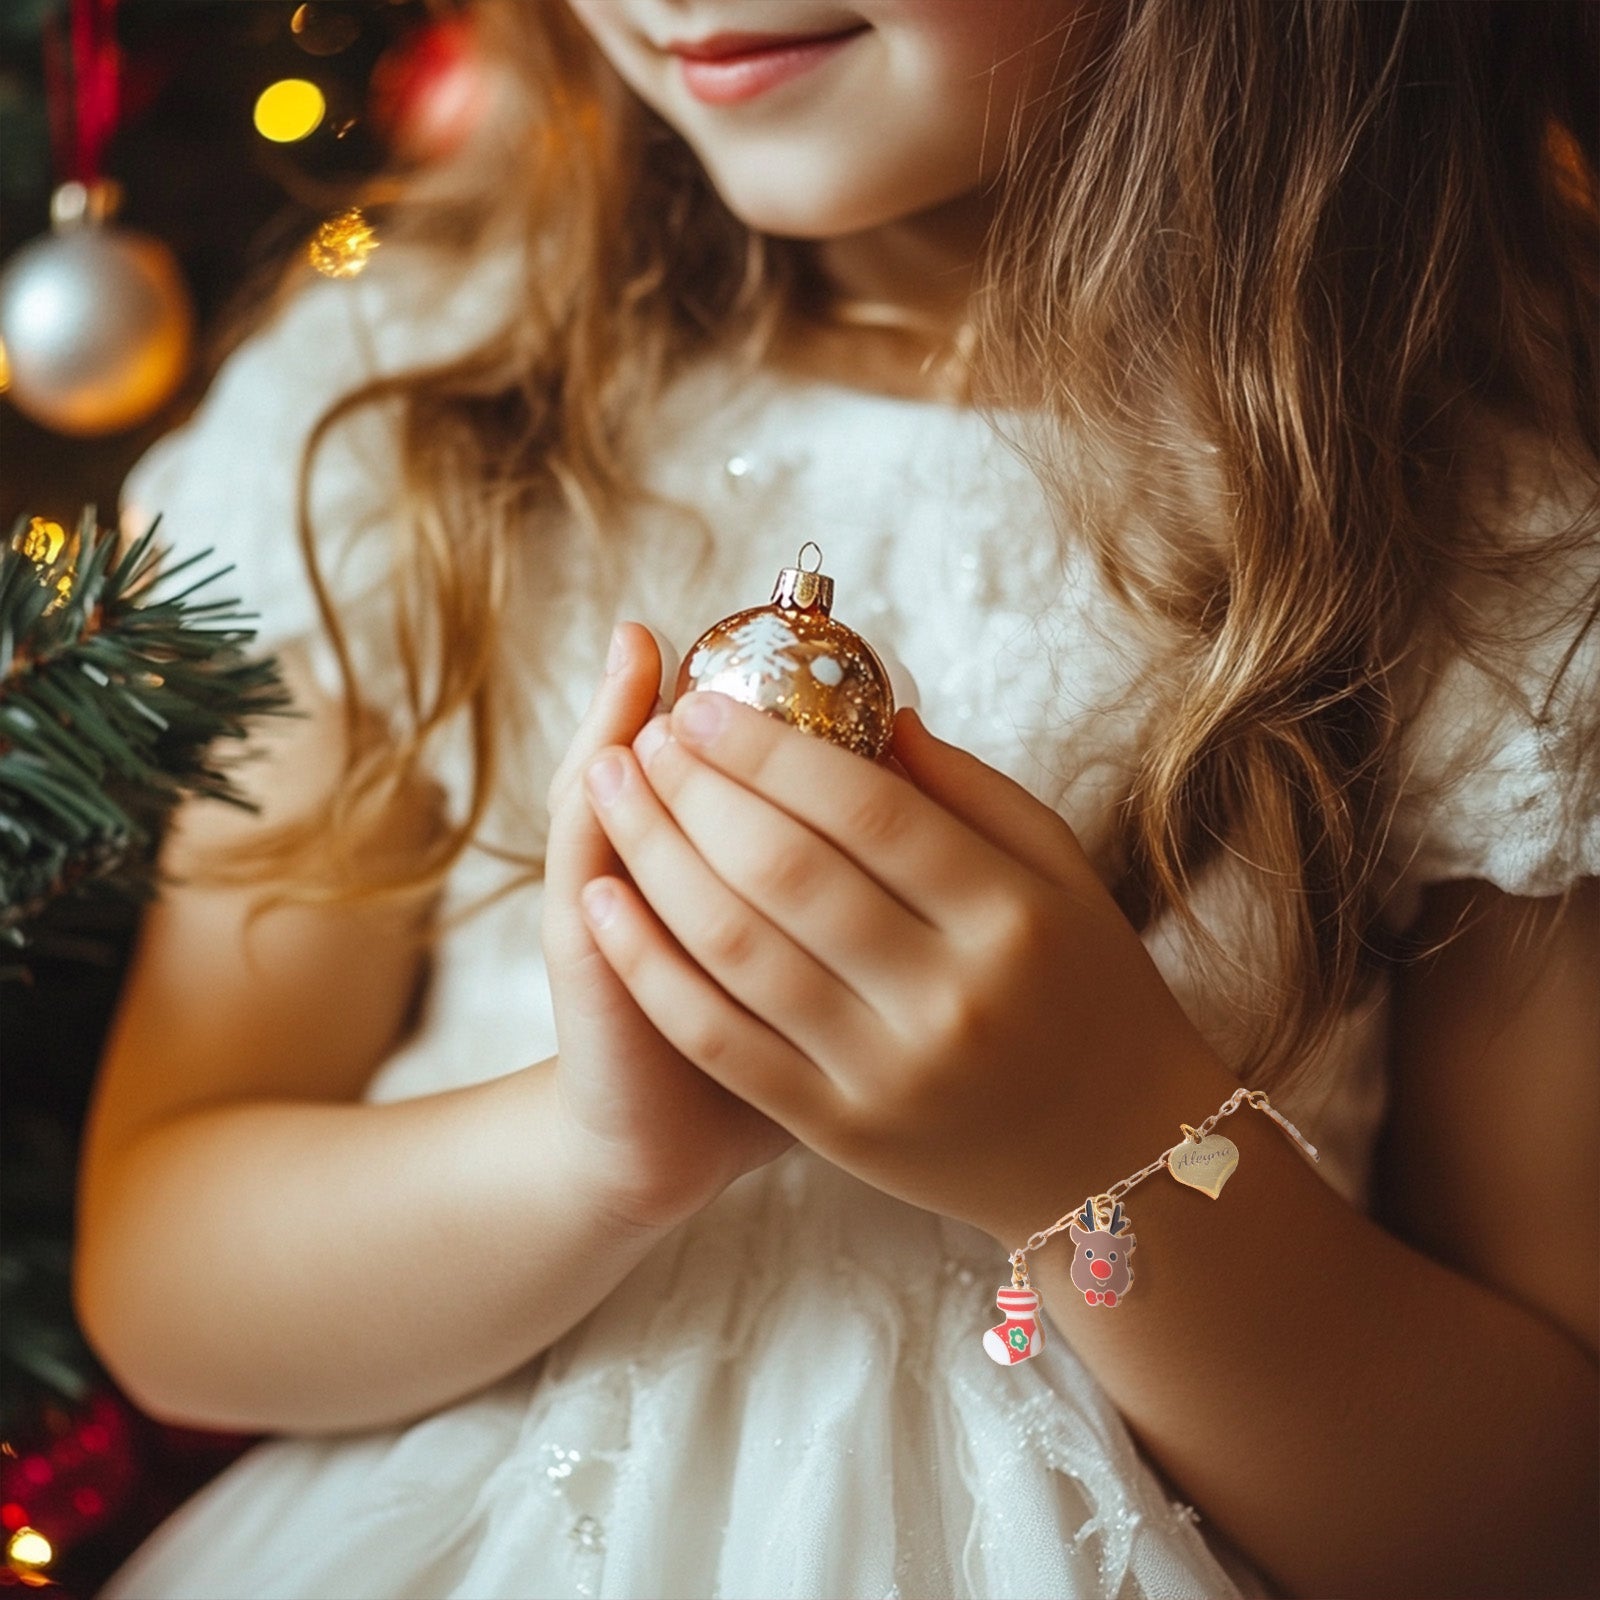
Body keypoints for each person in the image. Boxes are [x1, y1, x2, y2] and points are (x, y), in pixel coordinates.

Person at [77, 2, 1597, 1596]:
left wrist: (1092, 1140)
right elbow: (170, 1284)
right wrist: (595, 1155)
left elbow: (1534, 1533)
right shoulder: (402, 414)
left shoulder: (1494, 520)